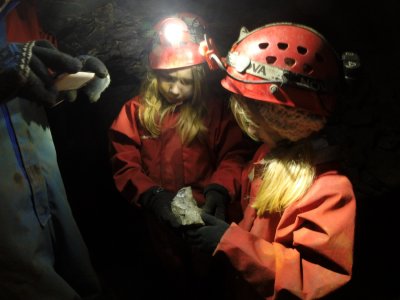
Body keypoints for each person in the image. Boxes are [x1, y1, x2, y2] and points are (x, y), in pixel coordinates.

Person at [186, 23, 357, 299]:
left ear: (278, 119)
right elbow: (252, 202)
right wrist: (221, 191)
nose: (244, 123)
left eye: (252, 114)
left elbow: (313, 279)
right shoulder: (269, 153)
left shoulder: (330, 192)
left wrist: (231, 244)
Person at [109, 12, 255, 299]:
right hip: (161, 219)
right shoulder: (135, 112)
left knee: (213, 279)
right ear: (154, 75)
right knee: (173, 276)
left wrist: (220, 190)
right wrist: (152, 195)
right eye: (167, 79)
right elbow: (124, 162)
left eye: (185, 81)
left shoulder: (214, 111)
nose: (175, 89)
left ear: (199, 78)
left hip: (207, 217)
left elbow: (234, 154)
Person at [0, 0, 110, 299]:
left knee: (70, 261)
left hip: (38, 163)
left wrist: (68, 74)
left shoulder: (24, 10)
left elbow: (30, 69)